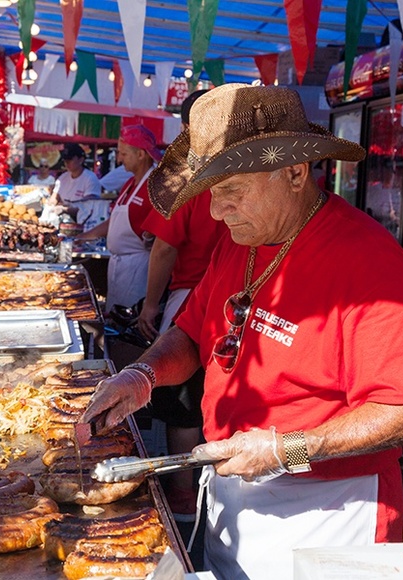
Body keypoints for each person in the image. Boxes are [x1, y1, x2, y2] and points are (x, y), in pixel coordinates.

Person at [81, 84, 403, 579]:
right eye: (213, 192)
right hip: (232, 488)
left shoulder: (365, 260)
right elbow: (192, 333)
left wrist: (289, 448)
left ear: (295, 172)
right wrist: (143, 374)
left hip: (329, 511)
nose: (217, 210)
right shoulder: (242, 238)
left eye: (232, 189)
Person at [135, 89, 229, 521]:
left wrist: (150, 305)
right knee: (201, 394)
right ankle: (197, 490)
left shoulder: (188, 175)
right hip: (230, 299)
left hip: (192, 297)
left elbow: (164, 249)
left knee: (187, 402)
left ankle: (184, 493)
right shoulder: (201, 172)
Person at [76, 125, 160, 313]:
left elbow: (163, 233)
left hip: (139, 268)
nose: (120, 159)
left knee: (129, 322)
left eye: (123, 154)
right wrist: (82, 237)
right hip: (117, 265)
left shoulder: (155, 186)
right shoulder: (129, 183)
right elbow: (113, 221)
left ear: (140, 154)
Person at [49, 143, 104, 230]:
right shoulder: (62, 178)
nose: (66, 163)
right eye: (65, 160)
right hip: (63, 224)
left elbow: (89, 208)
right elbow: (54, 197)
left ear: (81, 160)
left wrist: (64, 209)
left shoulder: (90, 178)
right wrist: (51, 206)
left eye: (70, 159)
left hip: (85, 226)